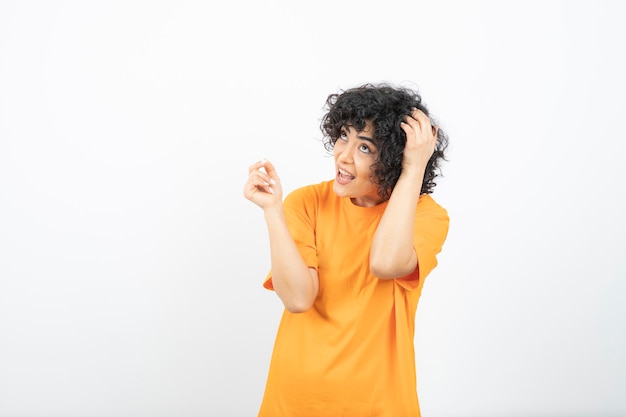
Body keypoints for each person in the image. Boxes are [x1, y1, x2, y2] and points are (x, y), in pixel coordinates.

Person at [243, 83, 450, 417]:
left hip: (379, 405)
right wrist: (273, 212)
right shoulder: (307, 202)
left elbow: (385, 263)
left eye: (365, 147)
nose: (343, 155)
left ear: (396, 160)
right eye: (343, 136)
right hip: (295, 402)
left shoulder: (426, 215)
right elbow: (297, 299)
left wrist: (413, 169)